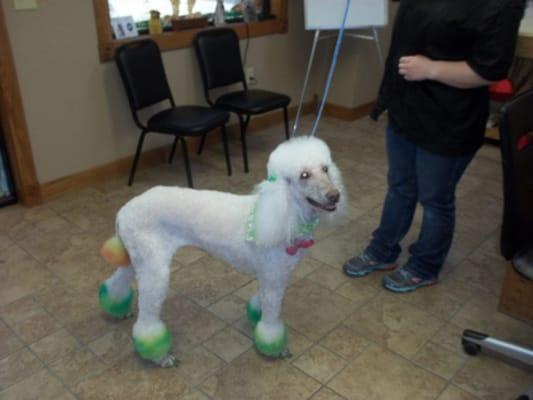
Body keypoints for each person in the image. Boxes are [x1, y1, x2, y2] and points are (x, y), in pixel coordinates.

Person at [343, 0, 526, 293]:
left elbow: (490, 69)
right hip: (407, 106)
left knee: (435, 199)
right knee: (400, 186)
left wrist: (431, 69)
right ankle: (382, 250)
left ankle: (425, 266)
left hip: (449, 120)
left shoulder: (500, 5)